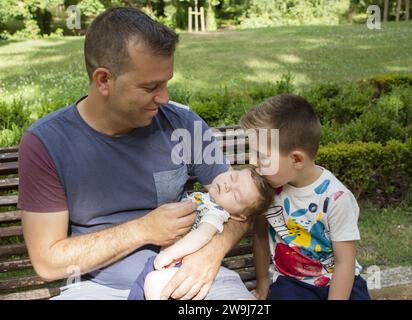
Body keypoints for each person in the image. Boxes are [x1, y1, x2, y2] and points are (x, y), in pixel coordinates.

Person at [18, 7, 254, 300]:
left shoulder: (182, 123)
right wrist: (143, 230)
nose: (165, 97)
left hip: (190, 275)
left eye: (166, 82)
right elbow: (47, 261)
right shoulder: (46, 143)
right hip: (95, 289)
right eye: (150, 86)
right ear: (104, 80)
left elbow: (244, 207)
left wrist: (211, 253)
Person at [239, 94, 371, 300]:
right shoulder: (267, 187)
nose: (253, 162)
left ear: (297, 159)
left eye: (262, 156)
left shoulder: (336, 199)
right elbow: (260, 235)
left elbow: (345, 262)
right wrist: (264, 281)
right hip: (293, 284)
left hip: (340, 280)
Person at [128, 167, 275, 299]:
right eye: (233, 177)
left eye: (236, 195)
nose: (227, 185)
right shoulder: (203, 199)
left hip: (183, 265)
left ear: (238, 216)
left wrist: (170, 254)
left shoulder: (216, 213)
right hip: (167, 263)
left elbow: (202, 235)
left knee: (153, 282)